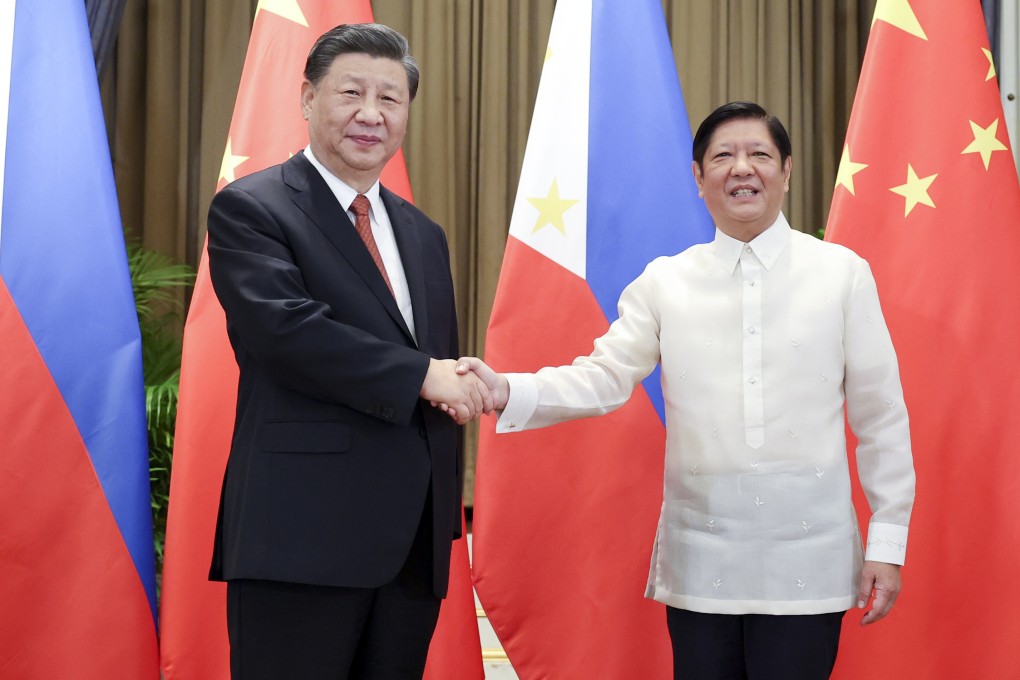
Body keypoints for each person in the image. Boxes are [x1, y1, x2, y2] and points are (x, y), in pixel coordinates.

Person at [454, 101, 915, 680]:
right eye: (723, 156)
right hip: (703, 564)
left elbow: (882, 418)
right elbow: (603, 376)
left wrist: (887, 543)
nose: (742, 168)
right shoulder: (665, 281)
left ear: (787, 170)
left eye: (760, 155)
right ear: (699, 179)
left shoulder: (842, 273)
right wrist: (504, 389)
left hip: (811, 563)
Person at [206, 23, 491, 680]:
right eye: (351, 93)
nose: (372, 114)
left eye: (390, 98)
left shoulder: (424, 234)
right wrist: (424, 375)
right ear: (307, 98)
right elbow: (285, 332)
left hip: (410, 549)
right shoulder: (253, 208)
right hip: (299, 538)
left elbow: (431, 361)